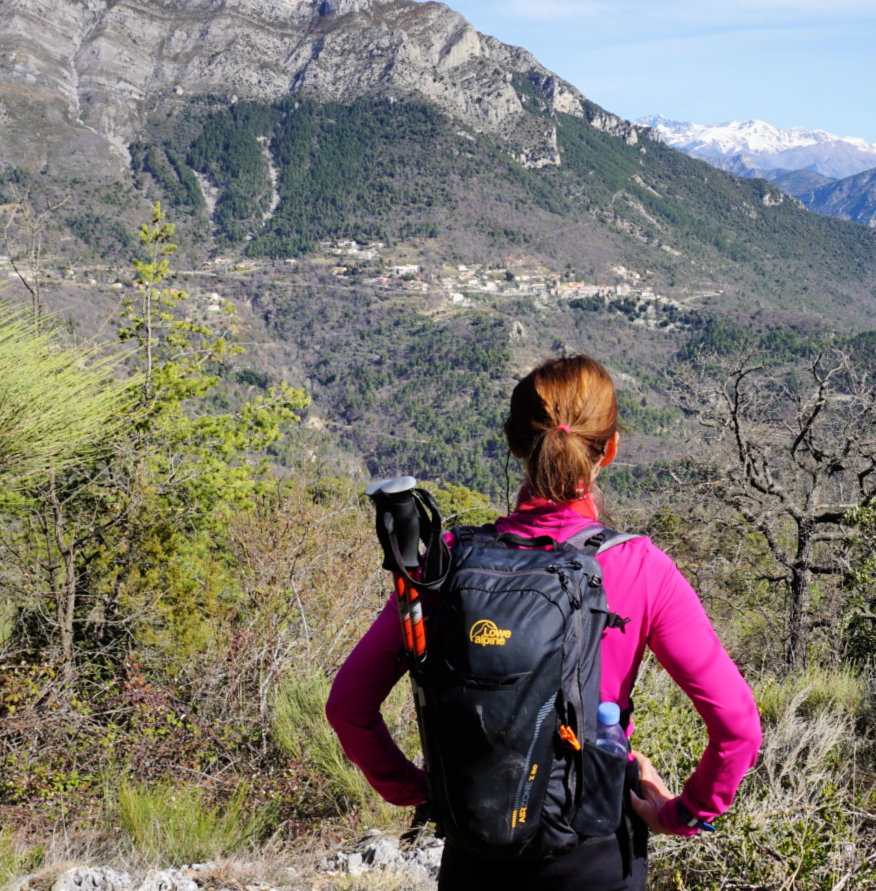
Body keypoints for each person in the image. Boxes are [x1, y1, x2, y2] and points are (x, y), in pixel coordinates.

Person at [327, 354, 763, 890]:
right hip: (595, 852)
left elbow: (348, 706)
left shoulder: (445, 564)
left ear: (514, 445)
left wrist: (421, 790)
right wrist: (683, 814)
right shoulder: (639, 568)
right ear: (610, 448)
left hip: (475, 854)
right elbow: (738, 726)